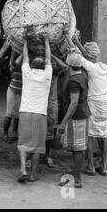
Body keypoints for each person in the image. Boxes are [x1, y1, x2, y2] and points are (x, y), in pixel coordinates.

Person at [69, 34, 107, 176]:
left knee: (89, 135)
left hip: (93, 103)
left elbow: (78, 55)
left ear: (90, 55)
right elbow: (86, 56)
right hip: (105, 103)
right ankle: (104, 166)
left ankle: (91, 166)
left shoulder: (91, 68)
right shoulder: (104, 67)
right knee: (104, 135)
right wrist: (78, 42)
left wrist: (72, 40)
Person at [17, 29, 52, 183]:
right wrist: (46, 41)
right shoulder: (47, 76)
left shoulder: (27, 74)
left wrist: (25, 41)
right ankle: (32, 174)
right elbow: (49, 58)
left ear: (31, 65)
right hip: (40, 115)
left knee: (23, 144)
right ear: (43, 66)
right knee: (37, 147)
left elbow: (24, 56)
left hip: (25, 113)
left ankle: (23, 169)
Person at [57, 52, 90, 188]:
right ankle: (76, 174)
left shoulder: (73, 81)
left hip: (77, 117)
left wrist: (63, 123)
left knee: (77, 149)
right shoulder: (82, 76)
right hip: (82, 115)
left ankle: (77, 179)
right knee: (77, 147)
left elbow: (74, 102)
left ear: (70, 66)